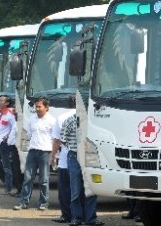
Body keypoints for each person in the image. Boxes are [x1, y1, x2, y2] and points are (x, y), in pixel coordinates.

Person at [60, 96, 104, 226]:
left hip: (89, 157)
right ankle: (77, 218)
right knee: (76, 190)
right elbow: (63, 139)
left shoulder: (94, 122)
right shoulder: (69, 121)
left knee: (91, 189)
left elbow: (64, 140)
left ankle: (90, 219)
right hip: (75, 157)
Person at [13, 96, 56, 211]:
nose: (37, 109)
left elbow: (55, 138)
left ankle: (43, 203)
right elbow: (29, 134)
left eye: (39, 106)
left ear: (46, 107)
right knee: (27, 178)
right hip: (32, 151)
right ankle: (23, 202)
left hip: (45, 152)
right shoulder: (32, 118)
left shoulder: (52, 120)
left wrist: (54, 155)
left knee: (44, 179)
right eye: (35, 106)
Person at [50, 97, 76, 223]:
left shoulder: (62, 118)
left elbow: (56, 140)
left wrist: (53, 156)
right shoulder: (87, 116)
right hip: (83, 160)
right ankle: (79, 215)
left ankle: (66, 215)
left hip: (65, 160)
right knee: (79, 190)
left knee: (65, 190)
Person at [7, 108, 23, 198]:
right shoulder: (15, 123)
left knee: (19, 171)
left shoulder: (22, 123)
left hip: (18, 148)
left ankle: (21, 190)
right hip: (12, 148)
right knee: (15, 170)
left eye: (16, 111)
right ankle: (19, 189)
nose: (14, 112)